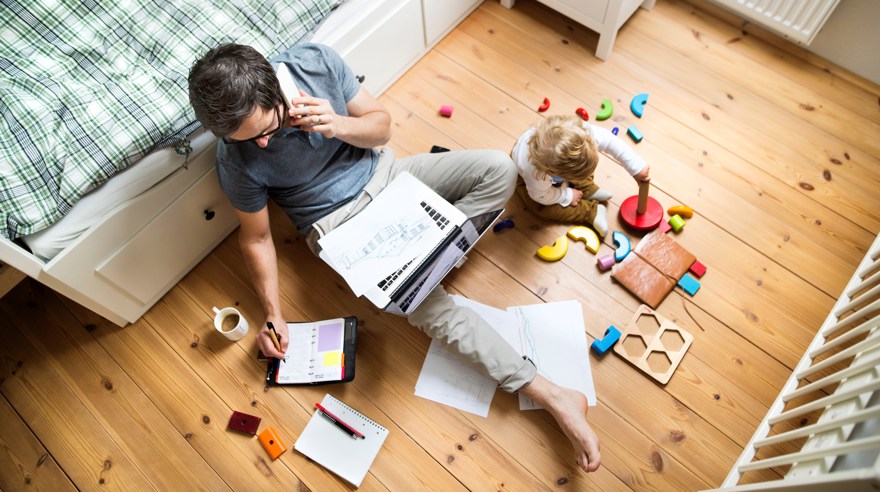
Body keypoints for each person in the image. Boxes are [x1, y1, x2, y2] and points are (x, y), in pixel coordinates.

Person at [188, 43, 601, 472]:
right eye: (249, 140)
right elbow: (256, 238)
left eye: (266, 129)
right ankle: (549, 392)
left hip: (389, 176)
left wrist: (338, 125)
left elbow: (381, 128)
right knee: (422, 304)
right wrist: (272, 312)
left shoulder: (312, 63)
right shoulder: (235, 158)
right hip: (339, 226)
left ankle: (424, 262)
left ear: (275, 89)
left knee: (499, 169)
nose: (263, 142)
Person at [511, 114, 650, 237]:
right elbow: (541, 196)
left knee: (583, 165)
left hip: (558, 168)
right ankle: (589, 212)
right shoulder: (536, 175)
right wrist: (566, 195)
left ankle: (587, 187)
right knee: (539, 208)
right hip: (530, 182)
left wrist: (636, 167)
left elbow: (610, 141)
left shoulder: (582, 134)